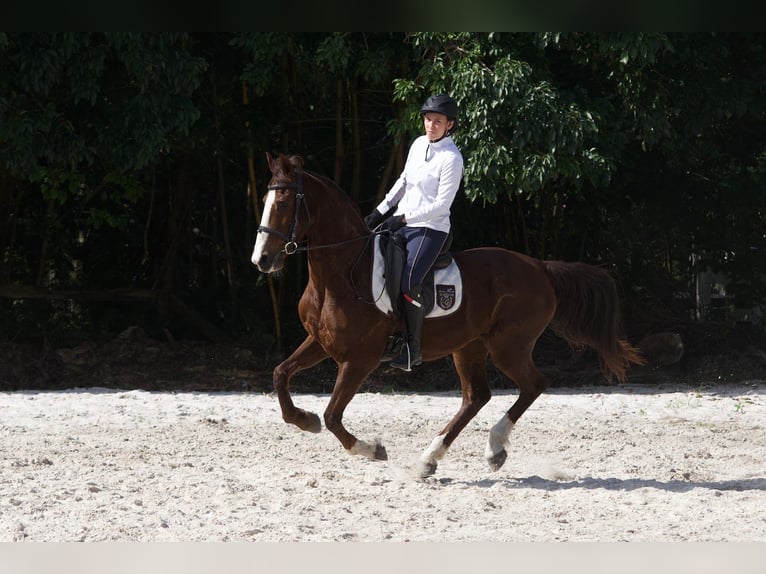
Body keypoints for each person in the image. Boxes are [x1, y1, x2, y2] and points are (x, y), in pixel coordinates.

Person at [363, 93, 464, 371]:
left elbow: (441, 205)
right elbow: (404, 181)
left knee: (409, 281)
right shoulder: (419, 144)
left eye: (437, 121)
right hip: (402, 220)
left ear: (449, 125)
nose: (431, 125)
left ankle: (412, 348)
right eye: (428, 119)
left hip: (430, 229)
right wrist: (380, 211)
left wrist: (404, 219)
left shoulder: (452, 159)